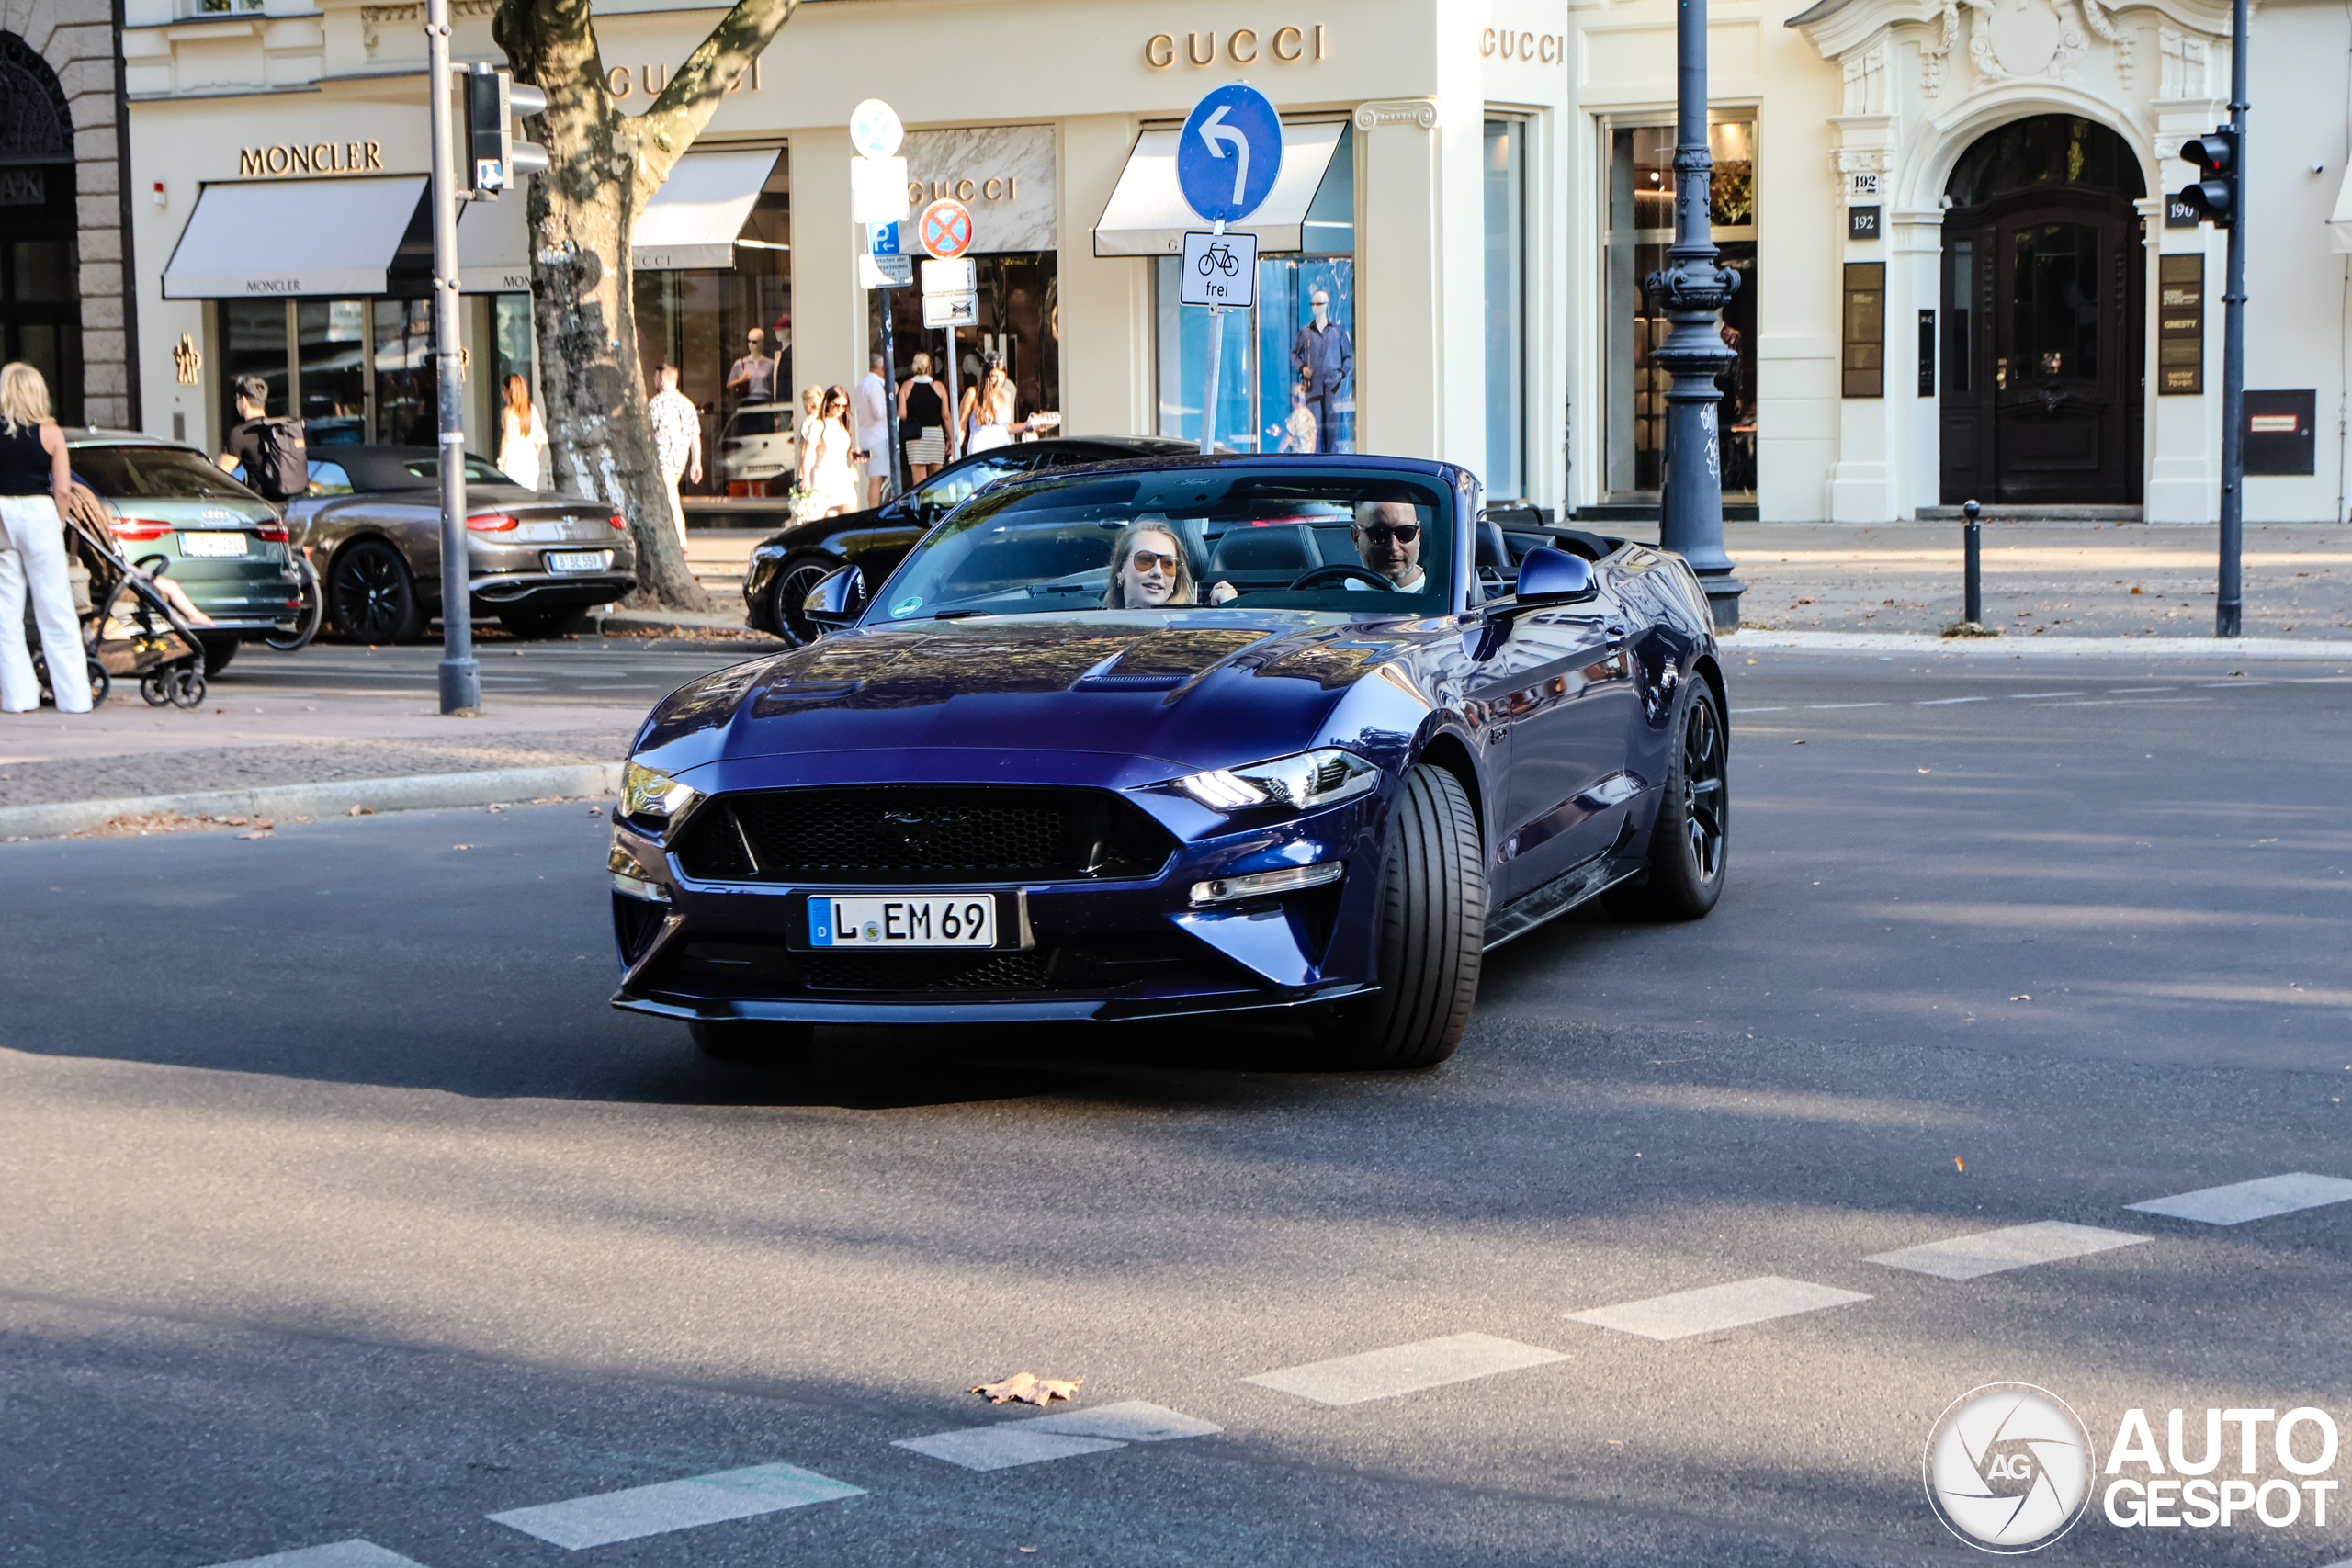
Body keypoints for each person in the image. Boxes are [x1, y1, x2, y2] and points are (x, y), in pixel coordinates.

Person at [0, 362, 92, 714]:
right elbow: (64, 490)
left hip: (2, 514)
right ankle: (74, 699)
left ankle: (19, 698)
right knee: (55, 609)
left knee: (7, 614)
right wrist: (59, 523)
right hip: (38, 513)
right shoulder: (51, 433)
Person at [217, 375, 307, 502]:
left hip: (258, 506)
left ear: (244, 401)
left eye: (236, 399)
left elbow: (220, 473)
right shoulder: (278, 429)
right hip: (285, 503)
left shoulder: (241, 433)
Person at [1291, 288, 1354, 454]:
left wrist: (1341, 374)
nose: (1315, 307)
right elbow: (1294, 354)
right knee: (1315, 426)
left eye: (1319, 304)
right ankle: (1315, 461)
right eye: (1313, 304)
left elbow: (1348, 357)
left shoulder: (1338, 331)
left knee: (1334, 425)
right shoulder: (1305, 332)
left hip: (1333, 384)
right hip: (1314, 384)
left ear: (1326, 305)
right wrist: (1303, 367)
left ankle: (1333, 462)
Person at [646, 363, 701, 549]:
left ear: (662, 379)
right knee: (667, 495)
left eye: (656, 377)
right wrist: (696, 462)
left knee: (670, 496)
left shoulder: (656, 403)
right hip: (680, 459)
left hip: (663, 458)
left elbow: (648, 433)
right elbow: (695, 435)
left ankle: (680, 539)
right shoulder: (688, 404)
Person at [1100, 521, 1195, 609]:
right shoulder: (1093, 624)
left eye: (1168, 564)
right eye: (1145, 560)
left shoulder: (1196, 627)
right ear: (1120, 569)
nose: (1158, 572)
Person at [797, 385, 861, 518]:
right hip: (824, 479)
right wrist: (806, 478)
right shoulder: (819, 424)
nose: (840, 409)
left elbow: (841, 450)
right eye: (836, 405)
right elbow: (808, 451)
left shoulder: (842, 422)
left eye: (844, 406)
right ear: (828, 403)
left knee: (852, 517)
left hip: (843, 478)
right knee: (828, 520)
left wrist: (854, 454)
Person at [958, 353, 1027, 456]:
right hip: (980, 451)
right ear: (986, 375)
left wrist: (1030, 425)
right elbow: (961, 427)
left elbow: (1007, 427)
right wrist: (954, 454)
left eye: (1002, 376)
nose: (998, 380)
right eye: (994, 376)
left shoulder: (1006, 394)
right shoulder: (973, 393)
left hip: (1003, 449)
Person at [899, 352, 950, 481]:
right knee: (936, 479)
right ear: (930, 367)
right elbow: (946, 415)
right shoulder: (939, 386)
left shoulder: (906, 386)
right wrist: (950, 436)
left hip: (915, 436)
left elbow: (902, 414)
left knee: (919, 481)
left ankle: (921, 502)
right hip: (935, 435)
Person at [854, 352, 892, 508]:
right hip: (878, 439)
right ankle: (874, 510)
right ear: (883, 368)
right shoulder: (875, 385)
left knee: (874, 477)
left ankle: (874, 508)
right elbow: (880, 412)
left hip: (865, 438)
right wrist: (892, 397)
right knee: (876, 479)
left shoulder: (861, 384)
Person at [497, 373, 548, 490]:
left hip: (514, 460)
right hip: (531, 460)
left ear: (510, 391)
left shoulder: (508, 412)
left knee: (513, 495)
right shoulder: (532, 409)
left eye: (504, 390)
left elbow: (507, 439)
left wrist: (501, 461)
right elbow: (540, 438)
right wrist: (535, 454)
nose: (502, 393)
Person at [725, 327, 777, 407]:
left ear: (761, 343)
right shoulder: (740, 364)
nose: (750, 344)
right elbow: (729, 384)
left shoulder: (771, 364)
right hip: (747, 402)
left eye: (754, 342)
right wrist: (740, 380)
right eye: (748, 341)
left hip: (765, 401)